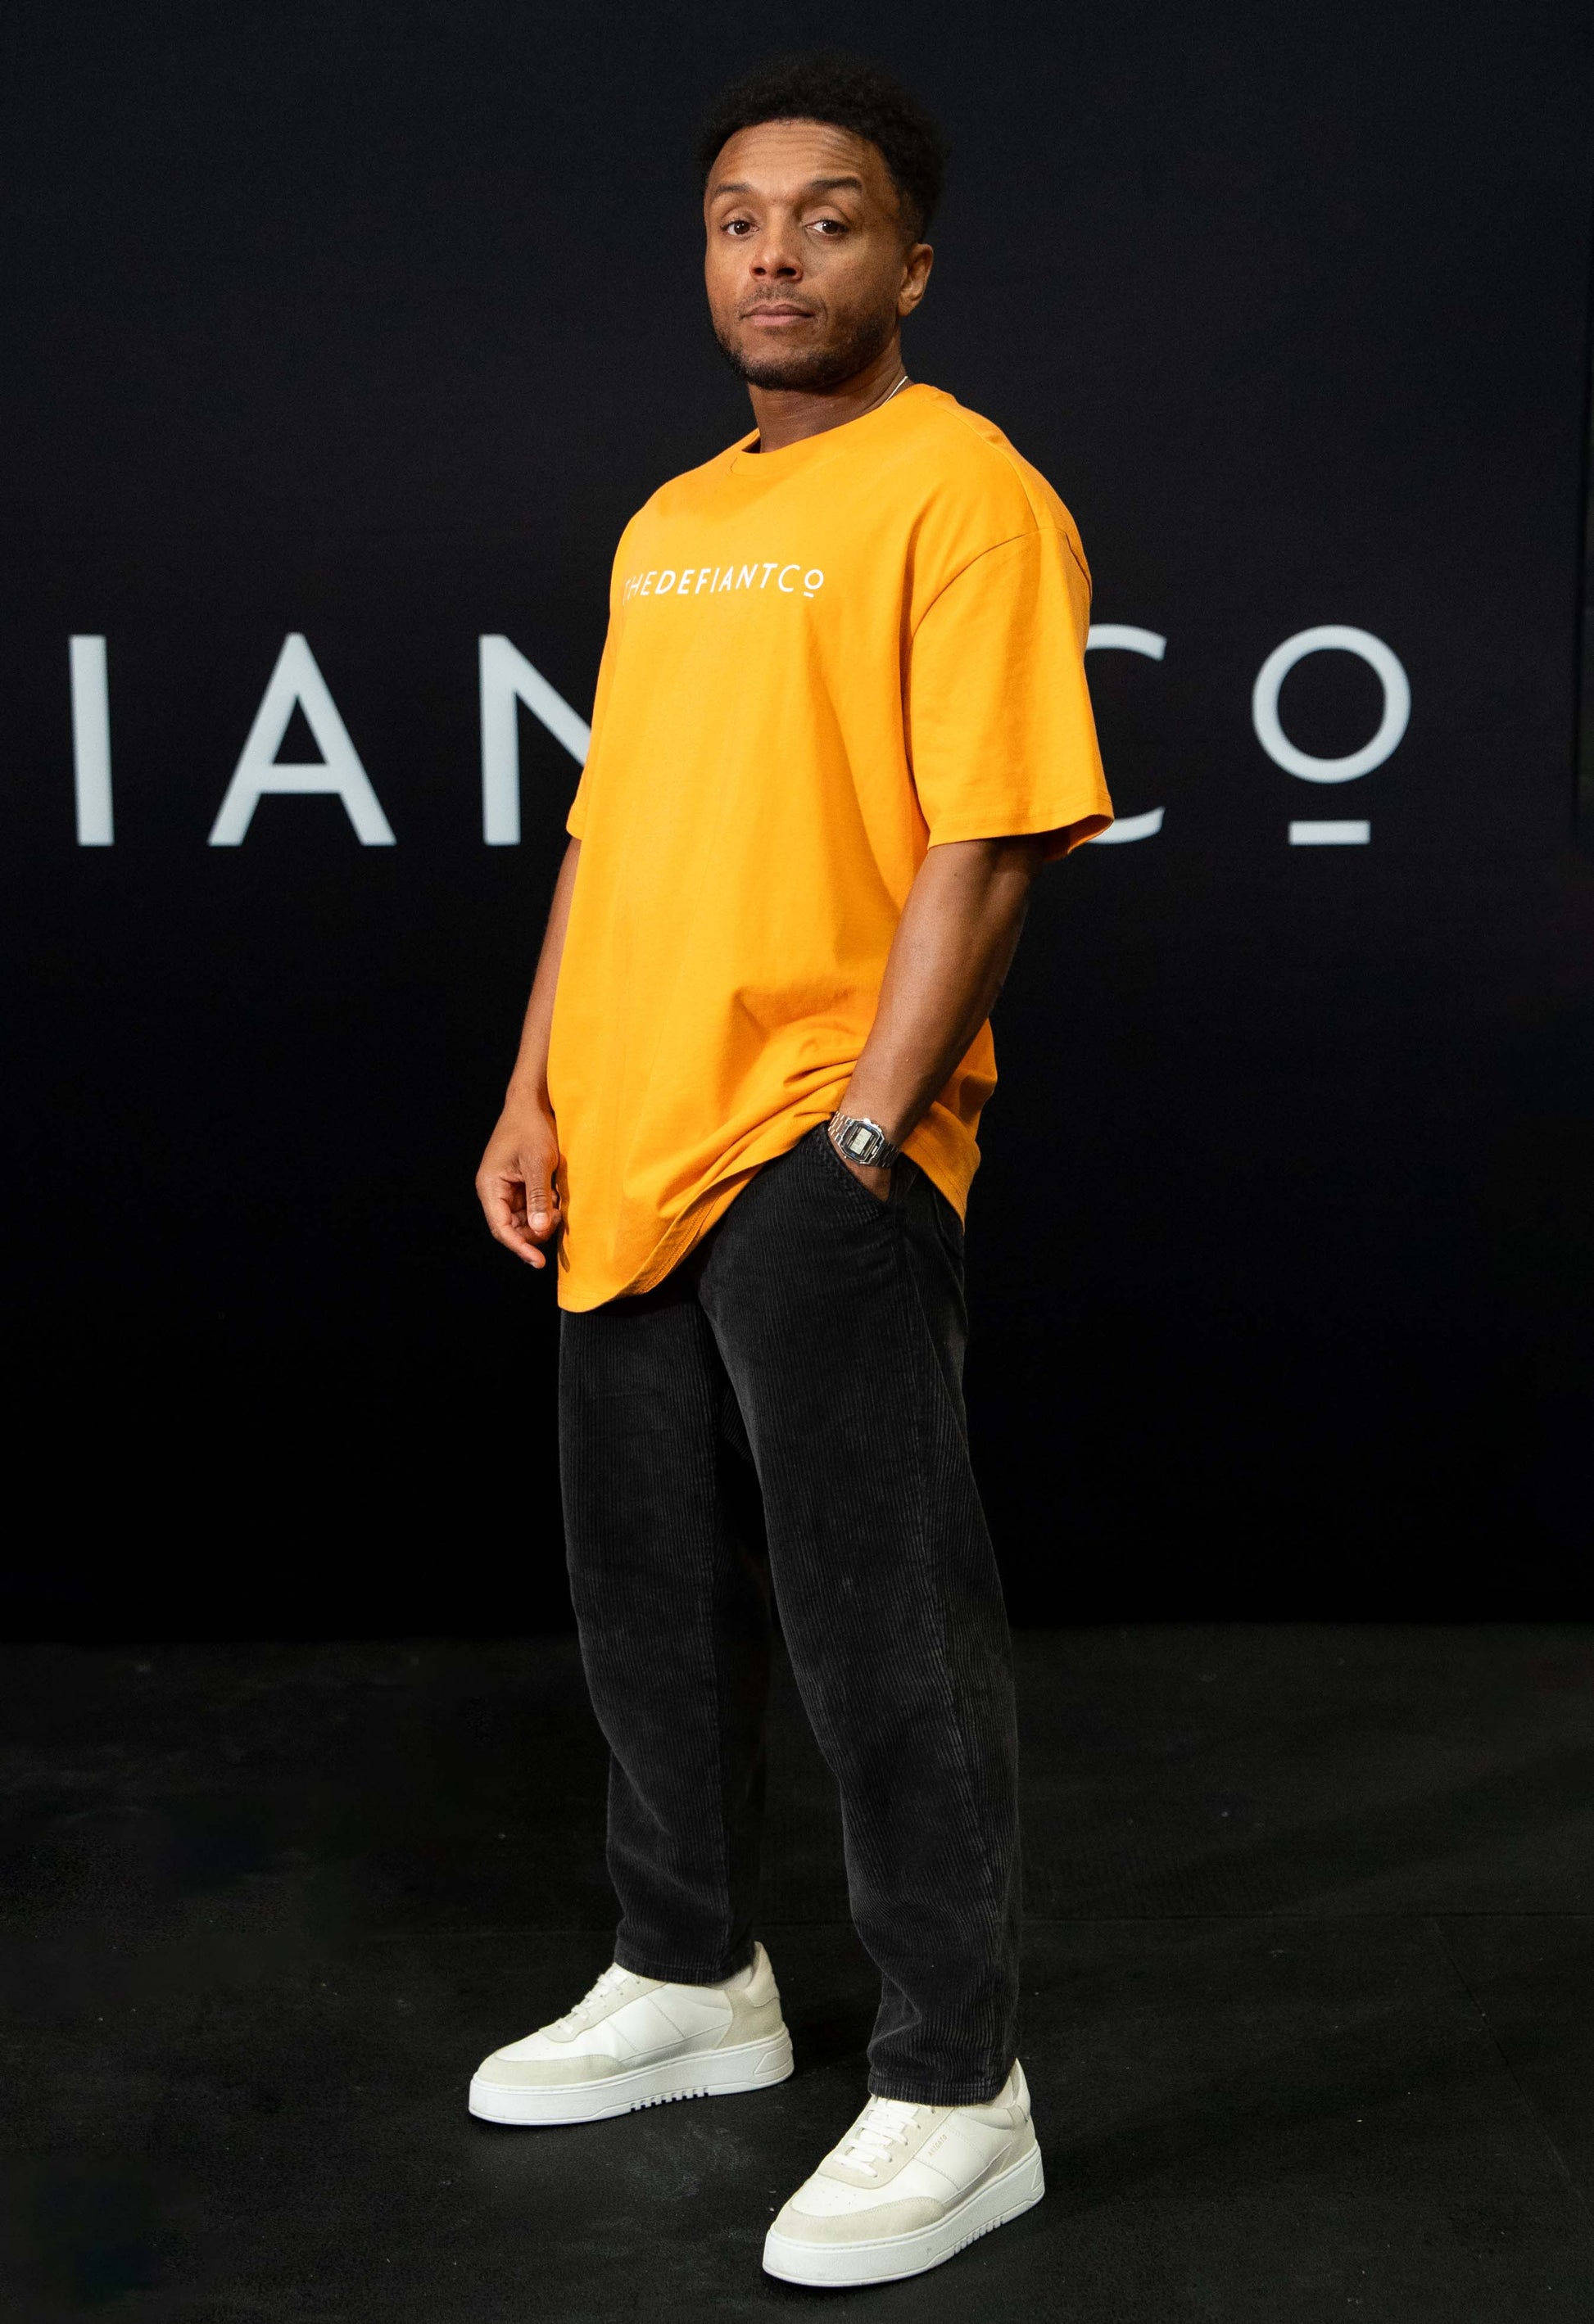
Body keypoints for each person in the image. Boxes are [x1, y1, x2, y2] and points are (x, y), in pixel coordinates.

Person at [470, 51, 1111, 2289]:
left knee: (880, 1634)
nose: (772, 251)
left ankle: (956, 2086)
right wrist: (533, 1088)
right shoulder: (668, 521)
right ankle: (689, 1979)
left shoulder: (966, 491)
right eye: (740, 216)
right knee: (638, 1597)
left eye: (825, 218)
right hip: (619, 1137)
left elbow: (995, 827)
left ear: (906, 261)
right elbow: (603, 838)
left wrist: (864, 1136)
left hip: (812, 1141)